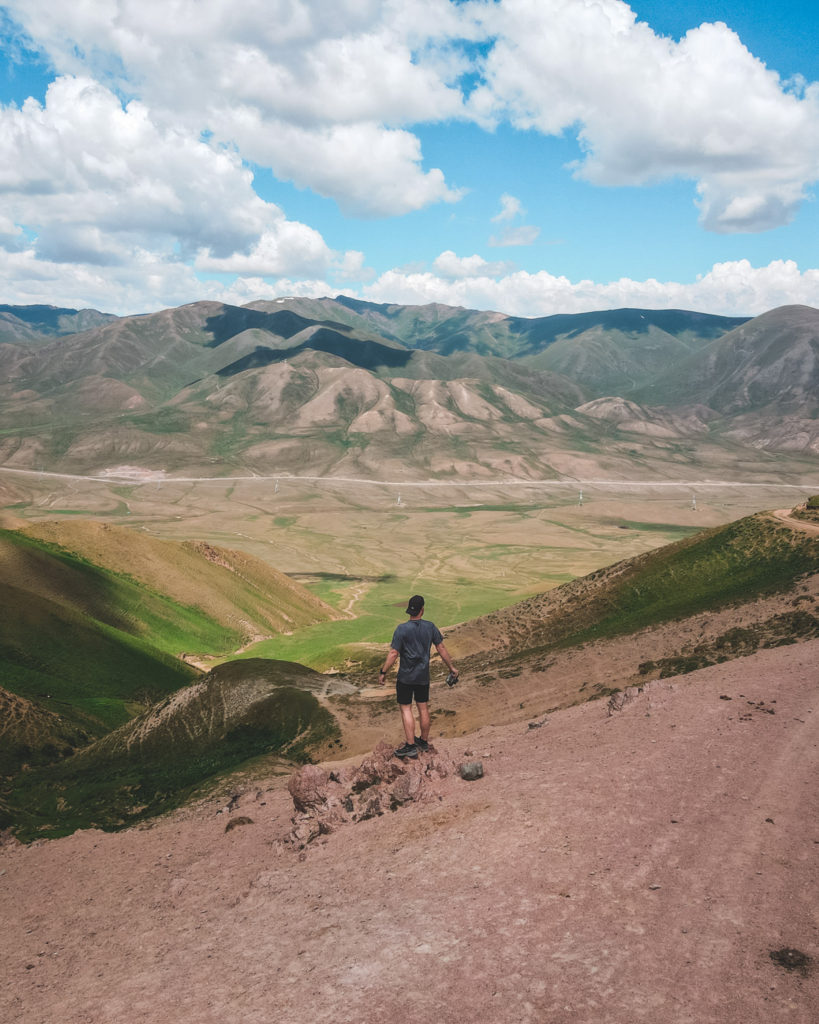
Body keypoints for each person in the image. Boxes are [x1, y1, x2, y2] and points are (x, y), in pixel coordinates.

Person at [379, 594, 459, 759]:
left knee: (406, 708)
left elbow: (394, 653)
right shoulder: (430, 627)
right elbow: (441, 648)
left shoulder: (402, 629)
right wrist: (451, 667)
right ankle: (423, 741)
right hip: (423, 676)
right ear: (422, 610)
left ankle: (410, 746)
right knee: (423, 708)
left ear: (409, 610)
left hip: (405, 678)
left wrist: (383, 672)